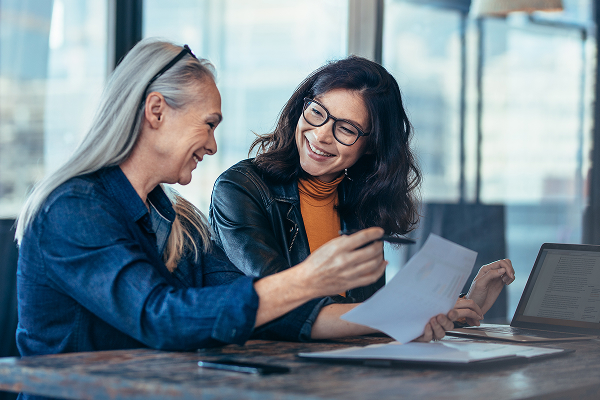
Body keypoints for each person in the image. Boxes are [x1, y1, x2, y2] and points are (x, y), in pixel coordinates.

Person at [14, 39, 455, 365]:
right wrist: (305, 280)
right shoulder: (73, 208)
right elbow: (160, 318)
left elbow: (257, 310)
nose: (211, 144)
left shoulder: (173, 215)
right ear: (155, 111)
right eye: (208, 124)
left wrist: (409, 314)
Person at [209, 55, 515, 327]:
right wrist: (404, 315)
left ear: (371, 147)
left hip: (345, 371)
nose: (321, 135)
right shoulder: (240, 188)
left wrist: (462, 307)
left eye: (346, 129)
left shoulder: (362, 202)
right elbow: (278, 306)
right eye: (317, 112)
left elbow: (370, 316)